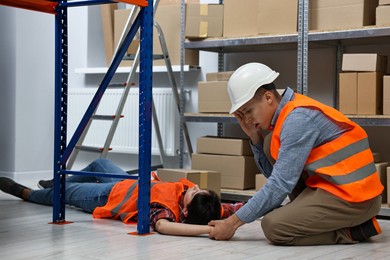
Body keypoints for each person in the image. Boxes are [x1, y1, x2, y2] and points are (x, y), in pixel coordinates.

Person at [208, 62, 384, 245]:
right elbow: (275, 176)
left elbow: (279, 185)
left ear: (268, 97)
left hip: (357, 198)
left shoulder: (297, 120)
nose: (247, 120)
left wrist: (232, 222)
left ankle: (352, 232)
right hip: (331, 188)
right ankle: (303, 211)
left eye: (248, 111)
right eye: (242, 115)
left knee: (273, 226)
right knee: (269, 143)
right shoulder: (289, 113)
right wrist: (254, 137)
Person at [0, 158, 242, 236]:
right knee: (100, 163)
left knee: (63, 196)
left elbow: (163, 226)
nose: (195, 186)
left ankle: (28, 193)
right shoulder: (210, 208)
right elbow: (234, 208)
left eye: (196, 192)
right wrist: (228, 220)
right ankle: (58, 180)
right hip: (128, 183)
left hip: (107, 197)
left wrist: (207, 231)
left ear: (186, 212)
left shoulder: (167, 210)